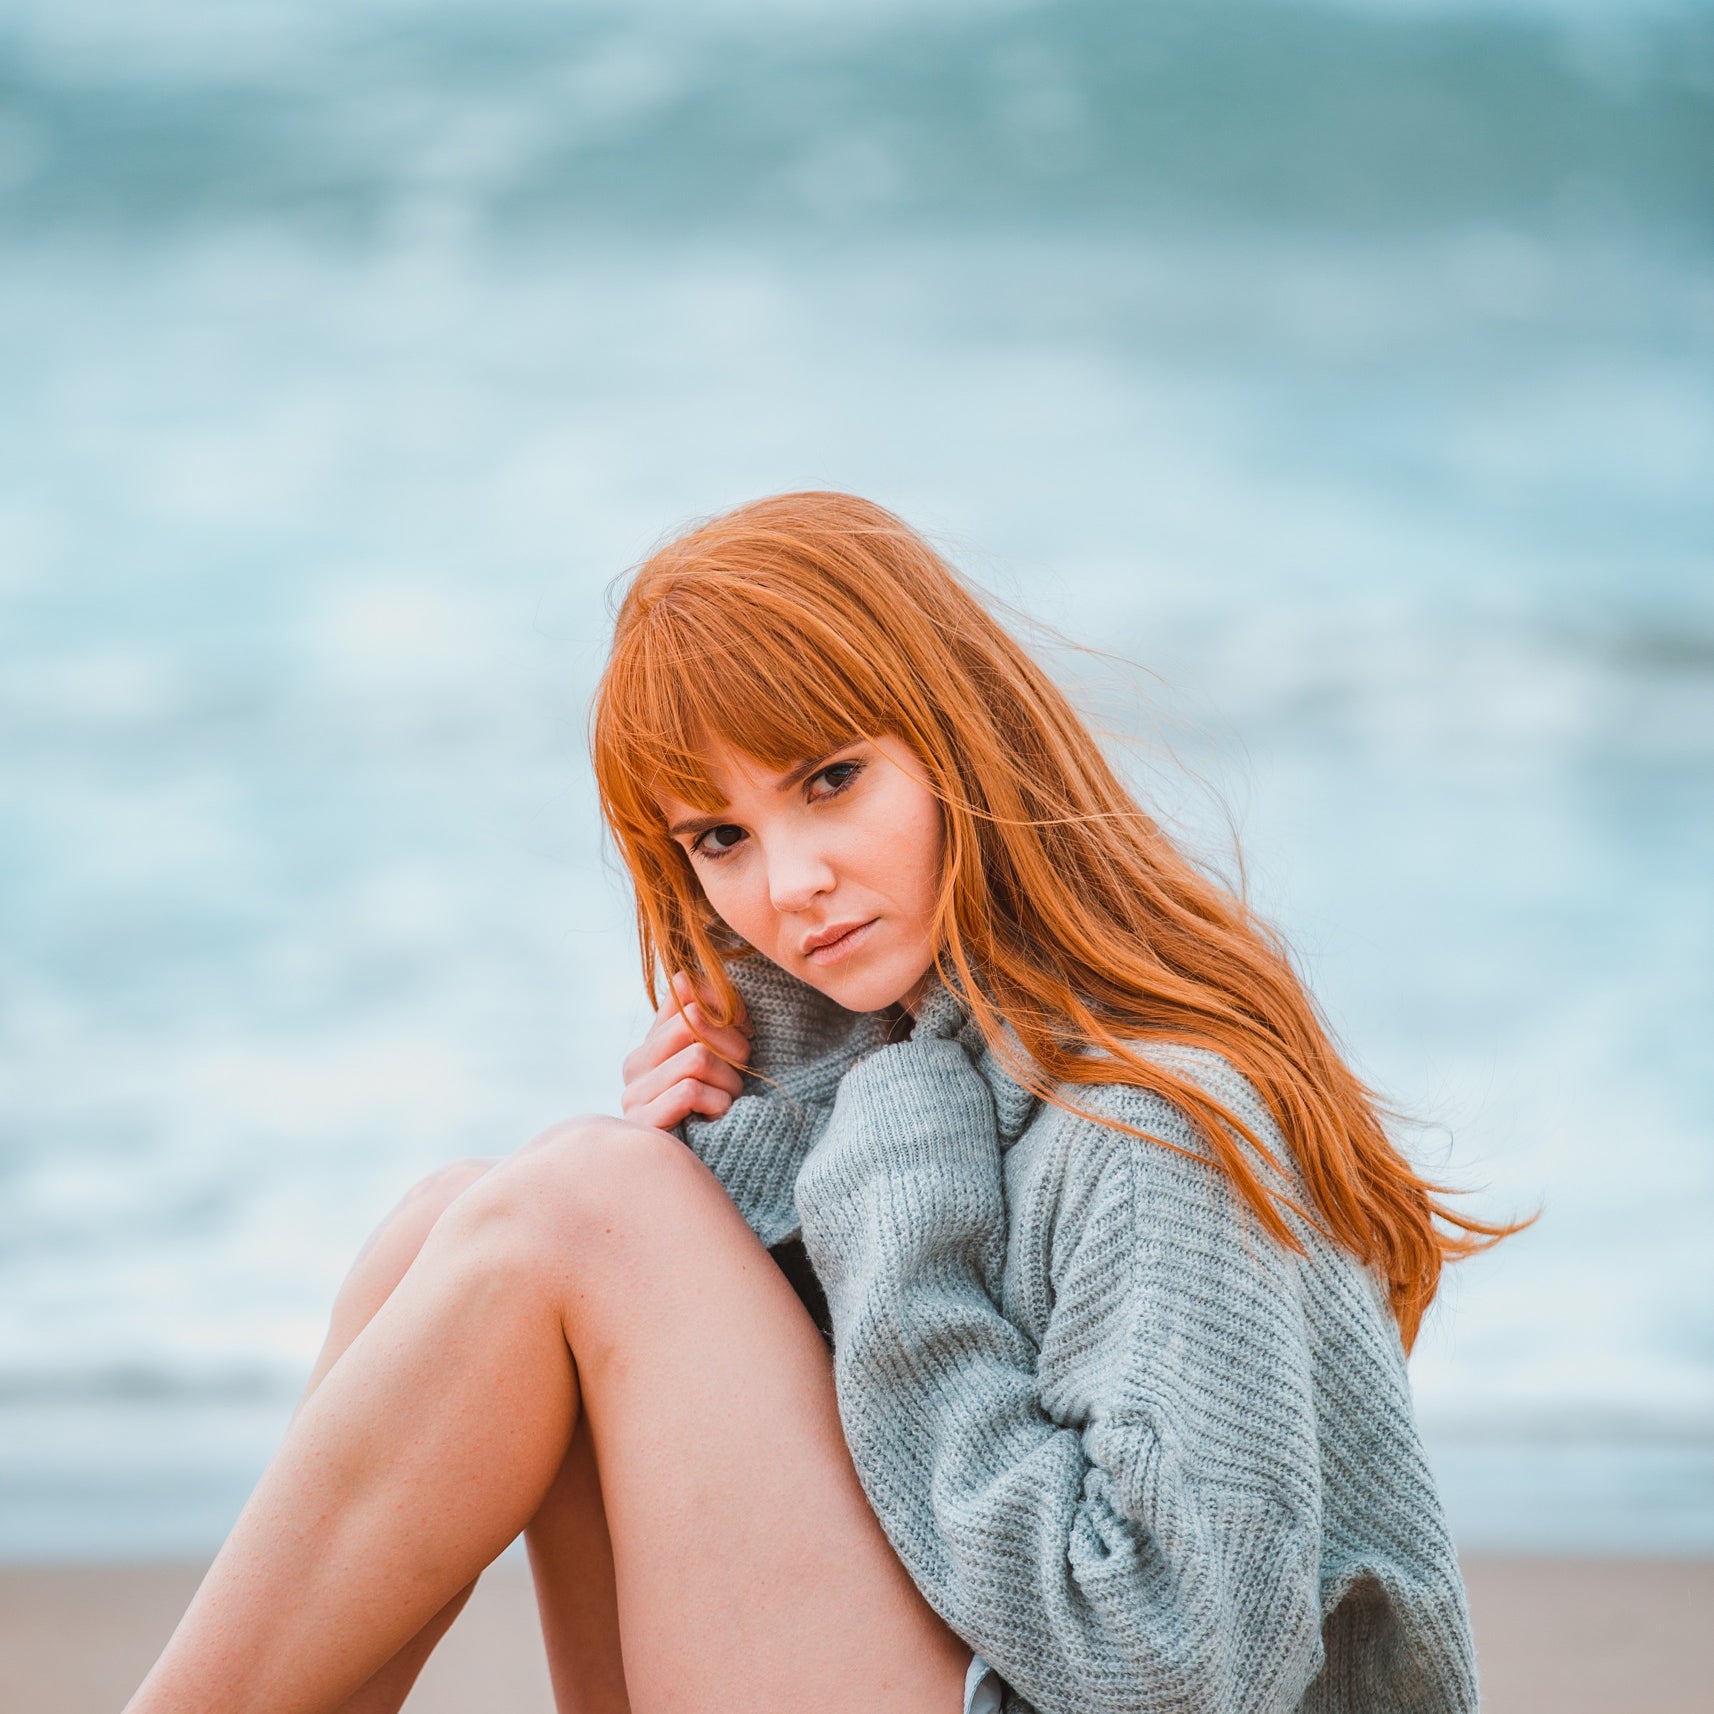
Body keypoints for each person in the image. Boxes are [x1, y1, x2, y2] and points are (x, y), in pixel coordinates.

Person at [126, 491, 1519, 1714]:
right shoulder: (905, 1080)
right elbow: (867, 1476)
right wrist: (731, 1166)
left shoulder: (1154, 1117)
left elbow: (1165, 1667)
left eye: (828, 780)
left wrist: (860, 1211)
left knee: (581, 1206)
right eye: (719, 837)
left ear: (959, 742)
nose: (785, 882)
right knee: (464, 1218)